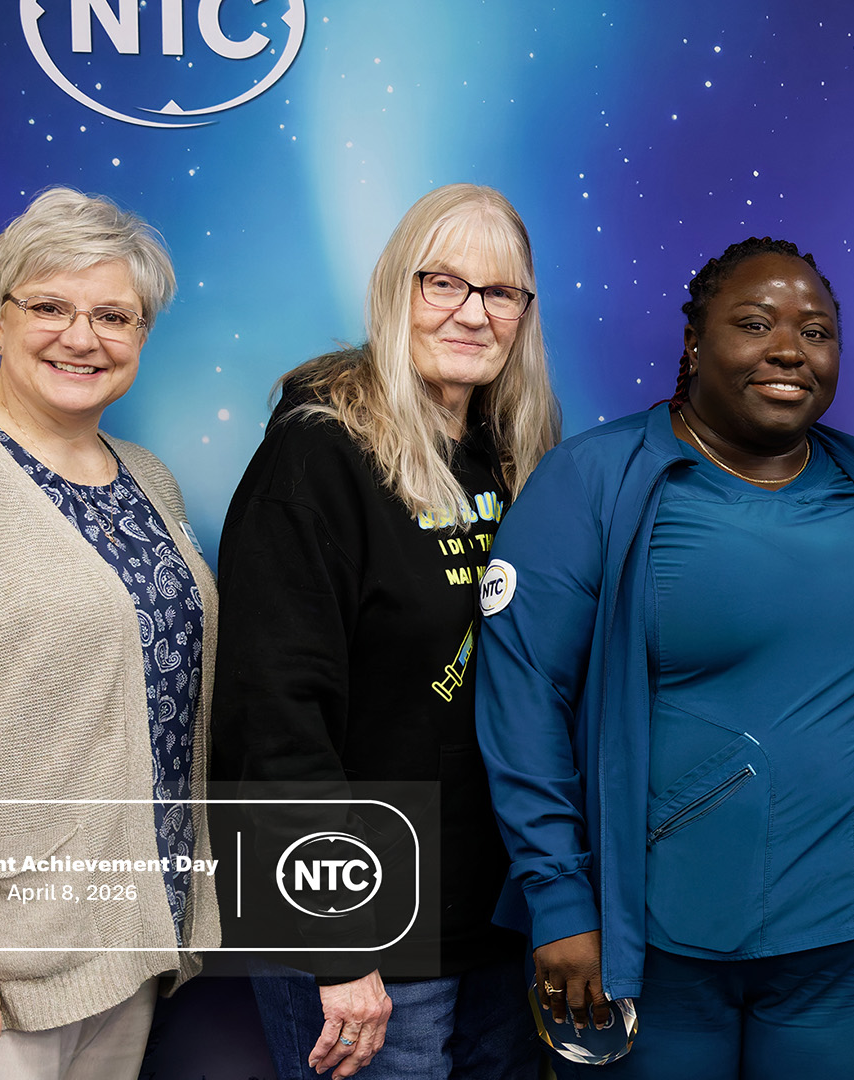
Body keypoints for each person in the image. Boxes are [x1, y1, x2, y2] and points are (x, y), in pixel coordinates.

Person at [476, 237, 854, 1079]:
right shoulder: (593, 482)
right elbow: (522, 702)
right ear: (695, 342)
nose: (788, 352)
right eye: (755, 324)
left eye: (816, 331)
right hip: (655, 946)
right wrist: (559, 899)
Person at [211, 183, 558, 1080]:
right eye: (443, 283)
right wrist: (337, 941)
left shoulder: (513, 454)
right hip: (360, 921)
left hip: (492, 911)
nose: (472, 314)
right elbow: (274, 716)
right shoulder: (318, 454)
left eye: (501, 293)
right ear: (395, 289)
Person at [0, 187, 218, 1077]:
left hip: (127, 939)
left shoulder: (148, 479)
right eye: (50, 307)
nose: (82, 336)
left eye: (114, 315)